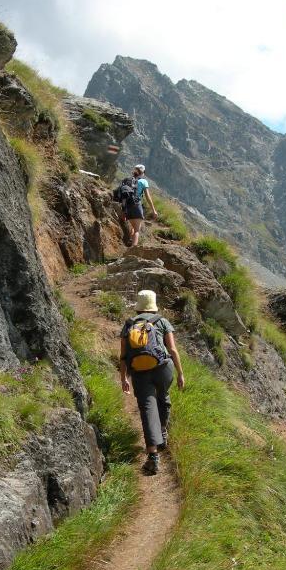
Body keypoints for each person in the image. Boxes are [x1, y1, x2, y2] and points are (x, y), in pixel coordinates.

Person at [119, 289, 185, 475]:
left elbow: (123, 356)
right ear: (153, 306)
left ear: (138, 307)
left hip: (139, 372)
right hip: (163, 367)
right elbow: (172, 350)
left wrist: (124, 378)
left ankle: (153, 457)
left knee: (148, 409)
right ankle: (162, 432)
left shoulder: (129, 324)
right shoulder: (161, 321)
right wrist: (180, 373)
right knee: (163, 396)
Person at [123, 164, 158, 247]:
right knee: (137, 230)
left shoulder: (127, 180)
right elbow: (148, 197)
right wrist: (153, 210)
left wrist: (123, 210)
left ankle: (130, 242)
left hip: (127, 206)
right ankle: (133, 250)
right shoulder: (143, 181)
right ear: (143, 172)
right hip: (136, 205)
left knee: (133, 226)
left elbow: (123, 195)